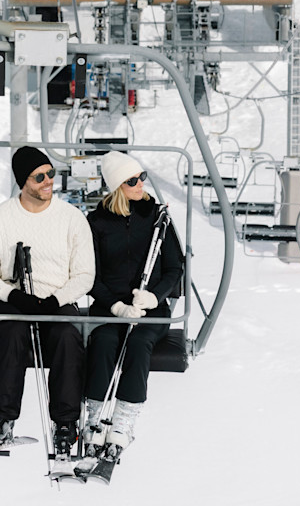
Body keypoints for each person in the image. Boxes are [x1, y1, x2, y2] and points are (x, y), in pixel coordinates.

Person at [0, 146, 96, 455]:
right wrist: (13, 295)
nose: (48, 181)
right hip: (16, 302)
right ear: (23, 181)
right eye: (39, 176)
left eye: (51, 173)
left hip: (58, 302)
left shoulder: (71, 218)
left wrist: (56, 300)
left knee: (67, 337)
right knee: (10, 333)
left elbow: (84, 274)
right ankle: (0, 420)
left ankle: (66, 424)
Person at [83, 151, 184, 457]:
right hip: (109, 308)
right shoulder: (96, 222)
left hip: (151, 309)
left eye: (142, 177)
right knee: (103, 341)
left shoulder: (156, 217)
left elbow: (174, 267)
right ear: (116, 186)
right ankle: (95, 418)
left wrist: (155, 295)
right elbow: (90, 276)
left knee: (139, 344)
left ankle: (124, 420)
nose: (141, 184)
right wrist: (115, 306)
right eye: (132, 180)